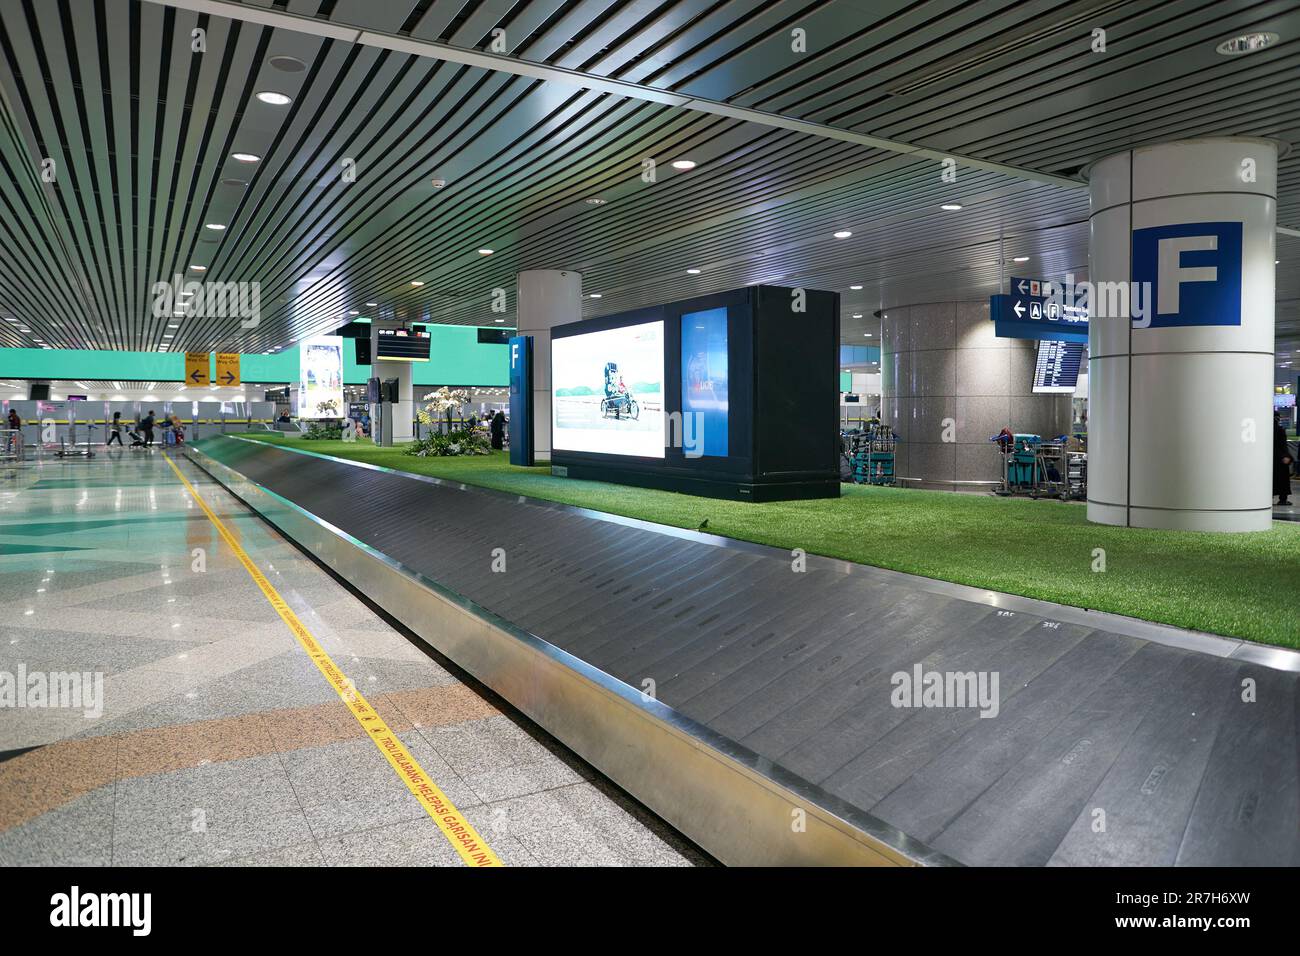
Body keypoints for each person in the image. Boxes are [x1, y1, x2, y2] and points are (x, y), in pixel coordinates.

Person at [1274, 413, 1293, 506]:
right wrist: (1286, 456)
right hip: (1280, 458)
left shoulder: (1264, 429)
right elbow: (1283, 445)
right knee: (1283, 479)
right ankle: (1282, 499)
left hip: (1268, 458)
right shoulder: (1280, 430)